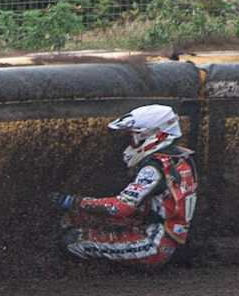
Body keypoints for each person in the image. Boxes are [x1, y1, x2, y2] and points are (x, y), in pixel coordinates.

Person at [51, 104, 198, 267]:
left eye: (134, 139)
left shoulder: (154, 169)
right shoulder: (181, 158)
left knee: (73, 240)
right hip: (160, 232)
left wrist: (73, 201)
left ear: (155, 136)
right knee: (76, 218)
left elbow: (121, 207)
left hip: (153, 244)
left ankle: (89, 275)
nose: (129, 145)